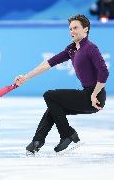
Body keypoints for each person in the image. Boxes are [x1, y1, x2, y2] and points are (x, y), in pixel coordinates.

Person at [15, 14, 109, 154]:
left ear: (86, 29)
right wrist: (26, 77)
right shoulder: (71, 49)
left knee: (50, 96)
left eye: (76, 27)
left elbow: (104, 72)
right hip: (87, 94)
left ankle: (68, 135)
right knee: (53, 108)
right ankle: (37, 142)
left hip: (94, 97)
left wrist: (95, 93)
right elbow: (48, 64)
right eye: (70, 28)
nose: (72, 31)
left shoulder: (90, 48)